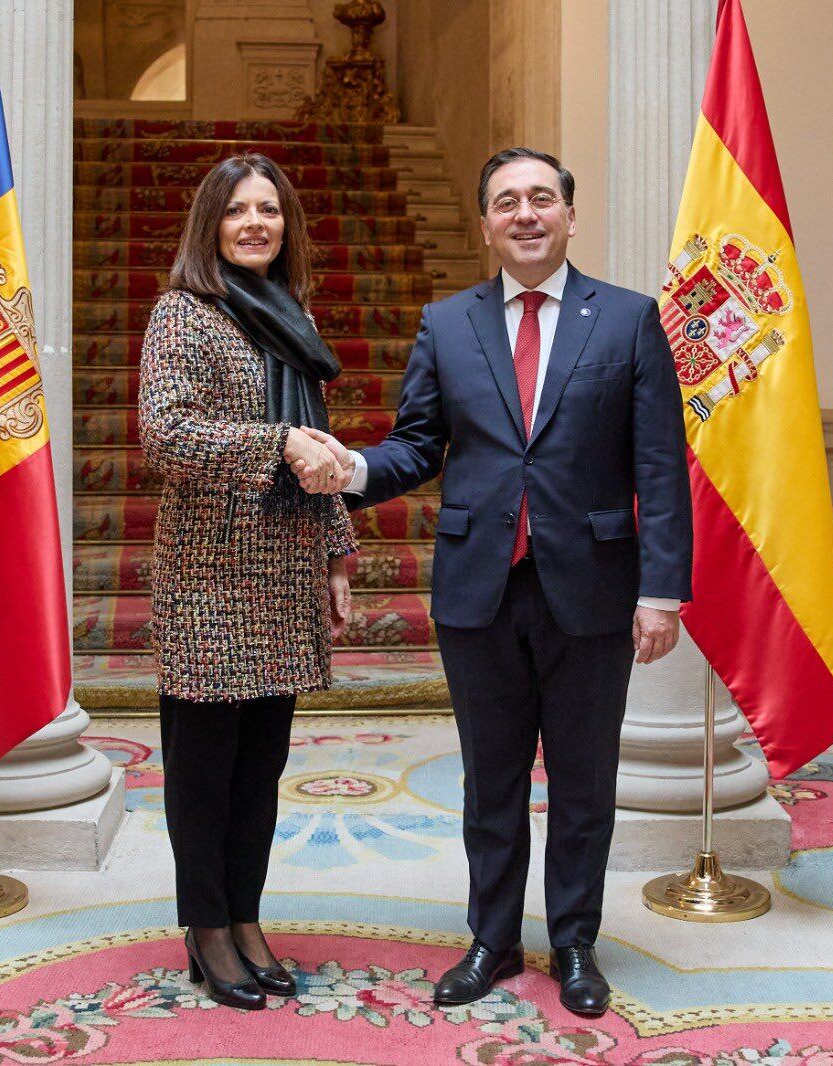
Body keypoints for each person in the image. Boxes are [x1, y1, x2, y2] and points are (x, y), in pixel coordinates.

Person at [311, 147, 692, 1016]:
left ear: (568, 215)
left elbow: (661, 465)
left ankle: (575, 944)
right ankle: (490, 939)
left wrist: (662, 589)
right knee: (491, 781)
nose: (526, 214)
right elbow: (417, 443)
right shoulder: (448, 324)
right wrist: (355, 470)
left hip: (593, 587)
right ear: (484, 224)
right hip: (479, 588)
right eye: (507, 202)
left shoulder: (629, 320)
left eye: (542, 199)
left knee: (585, 779)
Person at [138, 153, 357, 1010]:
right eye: (238, 212)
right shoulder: (183, 315)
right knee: (205, 768)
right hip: (208, 571)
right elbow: (165, 434)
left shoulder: (290, 315)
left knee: (262, 764)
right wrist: (275, 446)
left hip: (285, 567)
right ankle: (207, 925)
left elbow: (319, 439)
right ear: (211, 225)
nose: (255, 223)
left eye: (269, 209)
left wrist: (337, 550)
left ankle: (247, 914)